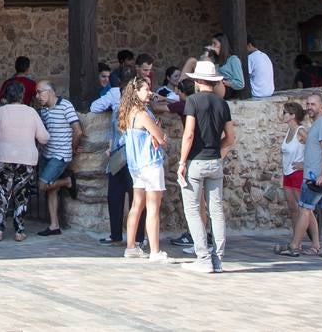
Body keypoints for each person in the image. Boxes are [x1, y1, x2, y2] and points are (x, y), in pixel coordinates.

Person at [177, 59, 235, 273]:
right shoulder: (223, 104)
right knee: (216, 211)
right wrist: (217, 154)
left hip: (195, 161)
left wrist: (182, 162)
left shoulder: (192, 101)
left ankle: (202, 257)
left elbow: (189, 133)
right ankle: (218, 259)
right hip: (214, 161)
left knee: (192, 210)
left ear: (199, 80)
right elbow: (230, 138)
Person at [279, 92, 322, 260]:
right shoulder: (316, 125)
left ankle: (294, 246)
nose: (309, 107)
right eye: (307, 104)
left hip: (316, 178)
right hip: (319, 176)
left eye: (313, 104)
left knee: (305, 210)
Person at [0, 79, 49, 241]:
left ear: (7, 96)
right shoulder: (32, 112)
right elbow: (43, 138)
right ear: (22, 96)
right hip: (26, 159)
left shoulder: (1, 111)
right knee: (22, 194)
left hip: (3, 157)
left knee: (2, 192)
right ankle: (19, 230)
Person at [91, 65, 145, 247]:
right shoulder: (118, 111)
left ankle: (138, 237)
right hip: (117, 158)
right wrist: (110, 147)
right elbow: (113, 132)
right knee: (114, 196)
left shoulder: (142, 112)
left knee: (135, 197)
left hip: (134, 158)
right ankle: (115, 234)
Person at [119, 77, 167, 261]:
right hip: (150, 163)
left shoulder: (128, 113)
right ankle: (155, 251)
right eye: (146, 89)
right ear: (136, 92)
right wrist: (160, 136)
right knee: (153, 207)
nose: (149, 92)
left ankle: (131, 246)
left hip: (136, 165)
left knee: (136, 205)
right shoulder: (143, 114)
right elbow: (160, 137)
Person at [35, 80, 82, 235]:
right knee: (51, 190)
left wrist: (73, 149)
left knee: (42, 185)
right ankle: (54, 225)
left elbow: (78, 131)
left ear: (50, 91)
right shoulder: (43, 110)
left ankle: (68, 181)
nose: (37, 96)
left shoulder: (66, 106)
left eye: (40, 92)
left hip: (60, 156)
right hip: (47, 154)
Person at [279, 101, 320, 255]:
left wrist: (305, 164)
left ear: (292, 116)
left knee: (306, 209)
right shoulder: (288, 132)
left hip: (297, 173)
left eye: (285, 113)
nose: (282, 115)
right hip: (287, 173)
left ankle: (316, 243)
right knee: (293, 209)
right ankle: (296, 241)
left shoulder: (301, 131)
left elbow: (315, 147)